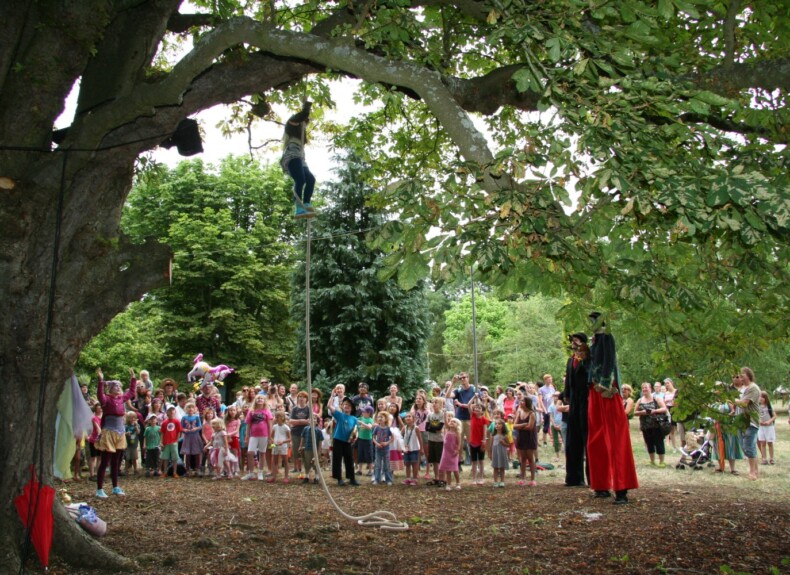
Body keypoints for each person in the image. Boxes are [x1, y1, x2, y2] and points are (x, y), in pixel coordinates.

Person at [585, 313, 639, 504]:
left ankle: (621, 489)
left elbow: (609, 362)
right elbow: (591, 366)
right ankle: (601, 485)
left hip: (606, 390)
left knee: (615, 438)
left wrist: (607, 384)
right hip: (594, 391)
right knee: (596, 439)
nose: (590, 325)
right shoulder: (595, 341)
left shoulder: (607, 337)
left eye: (592, 321)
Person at [95, 367, 138, 498]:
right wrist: (101, 381)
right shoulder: (106, 399)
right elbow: (99, 395)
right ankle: (99, 489)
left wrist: (133, 378)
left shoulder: (121, 399)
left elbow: (131, 392)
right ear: (110, 389)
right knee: (105, 461)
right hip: (109, 432)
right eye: (116, 387)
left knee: (116, 461)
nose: (118, 389)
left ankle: (115, 486)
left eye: (119, 387)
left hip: (120, 432)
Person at [280, 99, 316, 218]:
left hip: (300, 157)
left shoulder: (301, 133)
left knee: (310, 179)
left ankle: (306, 203)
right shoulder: (291, 124)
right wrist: (306, 107)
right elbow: (301, 116)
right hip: (292, 154)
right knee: (300, 179)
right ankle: (298, 208)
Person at [563, 333, 590, 487]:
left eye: (576, 340)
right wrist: (566, 395)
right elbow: (569, 380)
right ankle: (574, 478)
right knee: (572, 442)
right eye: (572, 341)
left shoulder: (588, 361)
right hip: (574, 403)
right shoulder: (570, 360)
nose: (573, 343)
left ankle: (593, 478)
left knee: (587, 439)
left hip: (586, 402)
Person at [732, 367, 761, 480]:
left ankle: (753, 472)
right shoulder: (743, 389)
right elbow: (738, 403)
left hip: (751, 421)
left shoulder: (753, 388)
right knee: (746, 447)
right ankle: (756, 470)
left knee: (748, 446)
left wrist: (730, 399)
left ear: (748, 376)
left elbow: (744, 403)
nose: (740, 377)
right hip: (741, 420)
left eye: (742, 375)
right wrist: (733, 409)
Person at [634, 382, 668, 467]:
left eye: (646, 387)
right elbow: (635, 412)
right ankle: (652, 460)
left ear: (650, 389)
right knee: (649, 443)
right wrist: (642, 412)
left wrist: (654, 411)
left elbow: (664, 408)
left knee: (659, 442)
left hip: (656, 425)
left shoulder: (656, 398)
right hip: (645, 426)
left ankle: (661, 461)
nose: (644, 389)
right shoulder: (640, 400)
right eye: (643, 388)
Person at [328, 393, 359, 486]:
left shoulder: (354, 418)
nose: (346, 406)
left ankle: (352, 479)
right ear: (342, 406)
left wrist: (354, 438)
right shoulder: (340, 415)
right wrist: (332, 396)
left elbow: (356, 431)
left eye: (349, 405)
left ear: (352, 408)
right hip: (338, 440)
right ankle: (339, 479)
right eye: (345, 405)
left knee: (349, 459)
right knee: (337, 459)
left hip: (347, 441)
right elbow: (329, 406)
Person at [243, 394, 273, 481]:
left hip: (264, 435)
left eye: (261, 398)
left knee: (262, 453)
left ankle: (260, 472)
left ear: (264, 401)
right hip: (253, 435)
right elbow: (248, 424)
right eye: (258, 398)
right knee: (250, 452)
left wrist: (270, 436)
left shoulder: (267, 411)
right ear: (255, 400)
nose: (260, 399)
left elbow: (270, 424)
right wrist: (247, 435)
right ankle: (251, 473)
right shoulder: (251, 411)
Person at [513, 397, 537, 487]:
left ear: (527, 403)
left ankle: (533, 479)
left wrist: (520, 426)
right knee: (522, 459)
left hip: (530, 438)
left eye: (522, 401)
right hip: (521, 437)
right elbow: (514, 426)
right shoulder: (519, 412)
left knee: (530, 458)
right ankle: (522, 478)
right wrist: (523, 425)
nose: (520, 402)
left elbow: (530, 427)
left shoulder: (532, 414)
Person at [289, 391, 312, 478]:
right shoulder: (294, 409)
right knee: (296, 451)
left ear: (306, 399)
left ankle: (306, 470)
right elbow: (291, 421)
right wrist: (302, 421)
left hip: (306, 433)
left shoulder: (308, 409)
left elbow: (310, 422)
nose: (301, 398)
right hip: (295, 433)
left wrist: (298, 422)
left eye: (303, 397)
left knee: (305, 451)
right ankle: (297, 469)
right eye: (299, 397)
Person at [425, 397, 445, 486]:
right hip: (431, 439)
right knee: (433, 460)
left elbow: (440, 428)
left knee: (440, 460)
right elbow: (426, 427)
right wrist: (433, 429)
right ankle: (436, 478)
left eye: (436, 402)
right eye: (433, 402)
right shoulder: (430, 415)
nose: (434, 404)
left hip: (439, 440)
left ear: (440, 404)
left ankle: (442, 478)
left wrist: (431, 428)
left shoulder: (442, 415)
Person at [180, 401, 204, 477]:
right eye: (189, 407)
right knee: (187, 453)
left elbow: (200, 426)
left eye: (192, 407)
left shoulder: (196, 417)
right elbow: (181, 427)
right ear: (186, 409)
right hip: (187, 437)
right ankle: (187, 469)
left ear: (194, 409)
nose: (190, 409)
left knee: (197, 452)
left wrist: (196, 428)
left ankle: (197, 468)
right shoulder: (184, 418)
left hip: (195, 436)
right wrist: (184, 430)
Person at [468, 403, 490, 485]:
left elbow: (485, 431)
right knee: (474, 462)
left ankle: (481, 477)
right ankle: (474, 478)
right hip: (473, 442)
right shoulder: (472, 416)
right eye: (476, 408)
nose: (477, 409)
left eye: (479, 408)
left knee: (481, 461)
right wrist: (474, 396)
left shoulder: (484, 419)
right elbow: (468, 405)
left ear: (482, 411)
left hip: (481, 442)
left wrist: (484, 441)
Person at [439, 418, 463, 490]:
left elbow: (459, 443)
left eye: (454, 422)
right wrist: (445, 414)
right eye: (451, 421)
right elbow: (446, 423)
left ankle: (458, 483)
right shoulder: (447, 430)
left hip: (453, 452)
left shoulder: (457, 433)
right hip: (446, 453)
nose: (452, 422)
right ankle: (448, 484)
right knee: (448, 470)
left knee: (455, 469)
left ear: (458, 425)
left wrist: (457, 450)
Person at [300, 413, 324, 484]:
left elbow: (320, 441)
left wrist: (319, 451)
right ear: (308, 420)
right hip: (307, 449)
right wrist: (300, 446)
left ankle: (316, 477)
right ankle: (307, 476)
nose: (313, 420)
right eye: (311, 418)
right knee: (307, 463)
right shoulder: (305, 429)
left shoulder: (319, 431)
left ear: (317, 421)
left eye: (315, 419)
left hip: (315, 450)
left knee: (316, 463)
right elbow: (302, 437)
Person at [160, 406, 183, 478]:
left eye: (173, 413)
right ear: (167, 413)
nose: (171, 414)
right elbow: (162, 433)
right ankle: (165, 472)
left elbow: (179, 431)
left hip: (174, 442)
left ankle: (174, 472)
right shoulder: (164, 422)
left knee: (175, 458)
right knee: (165, 458)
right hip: (166, 442)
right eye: (170, 412)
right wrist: (161, 442)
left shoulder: (177, 422)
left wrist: (177, 440)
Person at [488, 419, 512, 488]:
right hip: (495, 453)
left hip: (502, 453)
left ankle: (502, 481)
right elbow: (491, 445)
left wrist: (504, 443)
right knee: (495, 468)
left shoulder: (505, 436)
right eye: (496, 424)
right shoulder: (493, 435)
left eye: (499, 424)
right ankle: (495, 482)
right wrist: (490, 453)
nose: (497, 425)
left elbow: (508, 445)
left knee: (502, 468)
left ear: (503, 426)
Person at [372, 411, 394, 486]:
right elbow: (373, 438)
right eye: (378, 417)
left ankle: (389, 480)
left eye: (382, 417)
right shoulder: (377, 428)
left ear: (386, 419)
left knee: (387, 465)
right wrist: (377, 443)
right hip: (378, 449)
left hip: (386, 449)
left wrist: (386, 443)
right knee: (377, 465)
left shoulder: (388, 428)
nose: (380, 418)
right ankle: (377, 479)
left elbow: (392, 438)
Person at [269, 410, 291, 483]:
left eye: (278, 417)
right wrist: (272, 441)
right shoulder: (275, 427)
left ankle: (286, 477)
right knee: (274, 461)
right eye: (276, 417)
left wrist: (283, 442)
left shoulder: (286, 427)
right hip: (275, 445)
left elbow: (289, 438)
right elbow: (271, 436)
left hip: (283, 446)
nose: (276, 418)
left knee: (285, 461)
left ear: (282, 417)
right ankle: (274, 476)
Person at [402, 412, 423, 486]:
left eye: (409, 416)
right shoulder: (404, 427)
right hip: (406, 449)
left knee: (414, 463)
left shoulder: (416, 428)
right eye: (406, 417)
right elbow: (401, 436)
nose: (407, 418)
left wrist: (421, 448)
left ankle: (415, 478)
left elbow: (420, 439)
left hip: (414, 448)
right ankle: (408, 478)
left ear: (413, 419)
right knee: (407, 464)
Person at [757, 391, 776, 465]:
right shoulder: (757, 407)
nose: (761, 398)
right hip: (761, 427)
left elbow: (774, 416)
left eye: (762, 397)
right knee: (762, 442)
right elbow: (756, 416)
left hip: (769, 427)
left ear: (765, 398)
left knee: (770, 442)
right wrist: (759, 421)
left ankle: (771, 458)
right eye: (760, 397)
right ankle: (764, 458)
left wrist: (769, 421)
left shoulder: (769, 406)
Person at [356, 406, 375, 477]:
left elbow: (369, 427)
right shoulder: (361, 418)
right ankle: (359, 470)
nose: (362, 413)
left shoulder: (370, 420)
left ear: (369, 413)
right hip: (360, 439)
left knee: (369, 455)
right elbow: (355, 420)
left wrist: (361, 423)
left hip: (368, 440)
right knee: (360, 454)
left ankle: (371, 470)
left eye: (364, 411)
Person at [539, 374, 556, 446]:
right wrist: (544, 410)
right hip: (546, 409)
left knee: (554, 424)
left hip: (552, 408)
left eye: (551, 379)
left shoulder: (552, 388)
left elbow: (554, 398)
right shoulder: (541, 389)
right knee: (546, 426)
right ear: (545, 380)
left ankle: (554, 441)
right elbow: (540, 400)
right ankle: (545, 441)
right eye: (549, 379)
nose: (550, 380)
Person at [224, 405, 241, 477]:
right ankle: (228, 469)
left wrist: (229, 434)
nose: (232, 412)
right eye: (231, 410)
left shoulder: (238, 420)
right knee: (227, 453)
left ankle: (236, 469)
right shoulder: (225, 420)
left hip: (234, 438)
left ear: (236, 411)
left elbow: (237, 430)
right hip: (226, 438)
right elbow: (224, 428)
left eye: (234, 410)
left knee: (235, 453)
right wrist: (226, 435)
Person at [123, 412, 140, 476]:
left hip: (134, 445)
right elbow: (123, 433)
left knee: (134, 458)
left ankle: (135, 469)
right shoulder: (126, 426)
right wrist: (126, 433)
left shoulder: (137, 425)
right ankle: (126, 469)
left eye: (134, 418)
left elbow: (138, 432)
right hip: (127, 444)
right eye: (131, 418)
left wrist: (136, 426)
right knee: (127, 458)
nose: (132, 419)